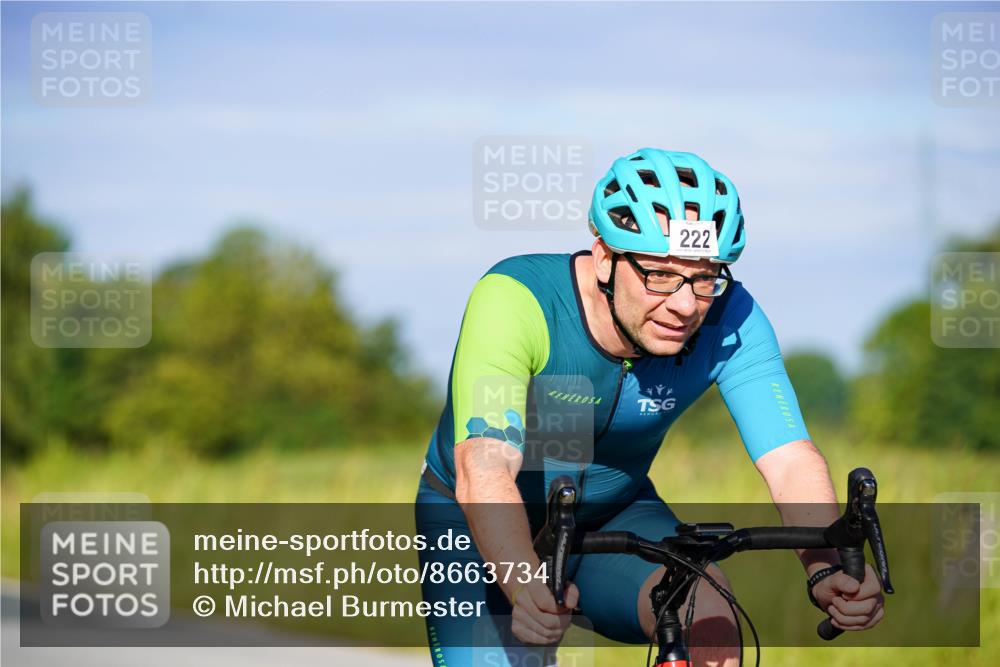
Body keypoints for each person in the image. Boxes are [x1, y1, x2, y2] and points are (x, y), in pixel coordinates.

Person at [414, 148, 884, 667]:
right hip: (475, 521)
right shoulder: (516, 298)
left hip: (614, 514)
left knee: (706, 618)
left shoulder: (732, 318)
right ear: (604, 257)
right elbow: (484, 465)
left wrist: (824, 566)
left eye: (704, 277)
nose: (685, 305)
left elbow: (789, 459)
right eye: (659, 274)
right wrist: (525, 584)